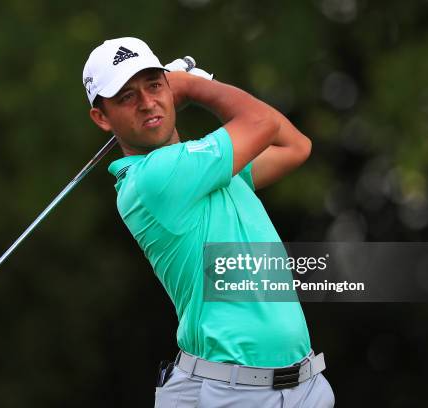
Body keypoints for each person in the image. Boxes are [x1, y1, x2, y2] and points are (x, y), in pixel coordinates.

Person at [83, 37, 335, 407]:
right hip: (240, 393)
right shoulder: (157, 177)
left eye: (154, 85)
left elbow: (295, 146)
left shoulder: (205, 169)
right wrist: (195, 86)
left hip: (302, 384)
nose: (147, 103)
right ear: (102, 117)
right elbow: (262, 122)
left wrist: (183, 86)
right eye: (126, 97)